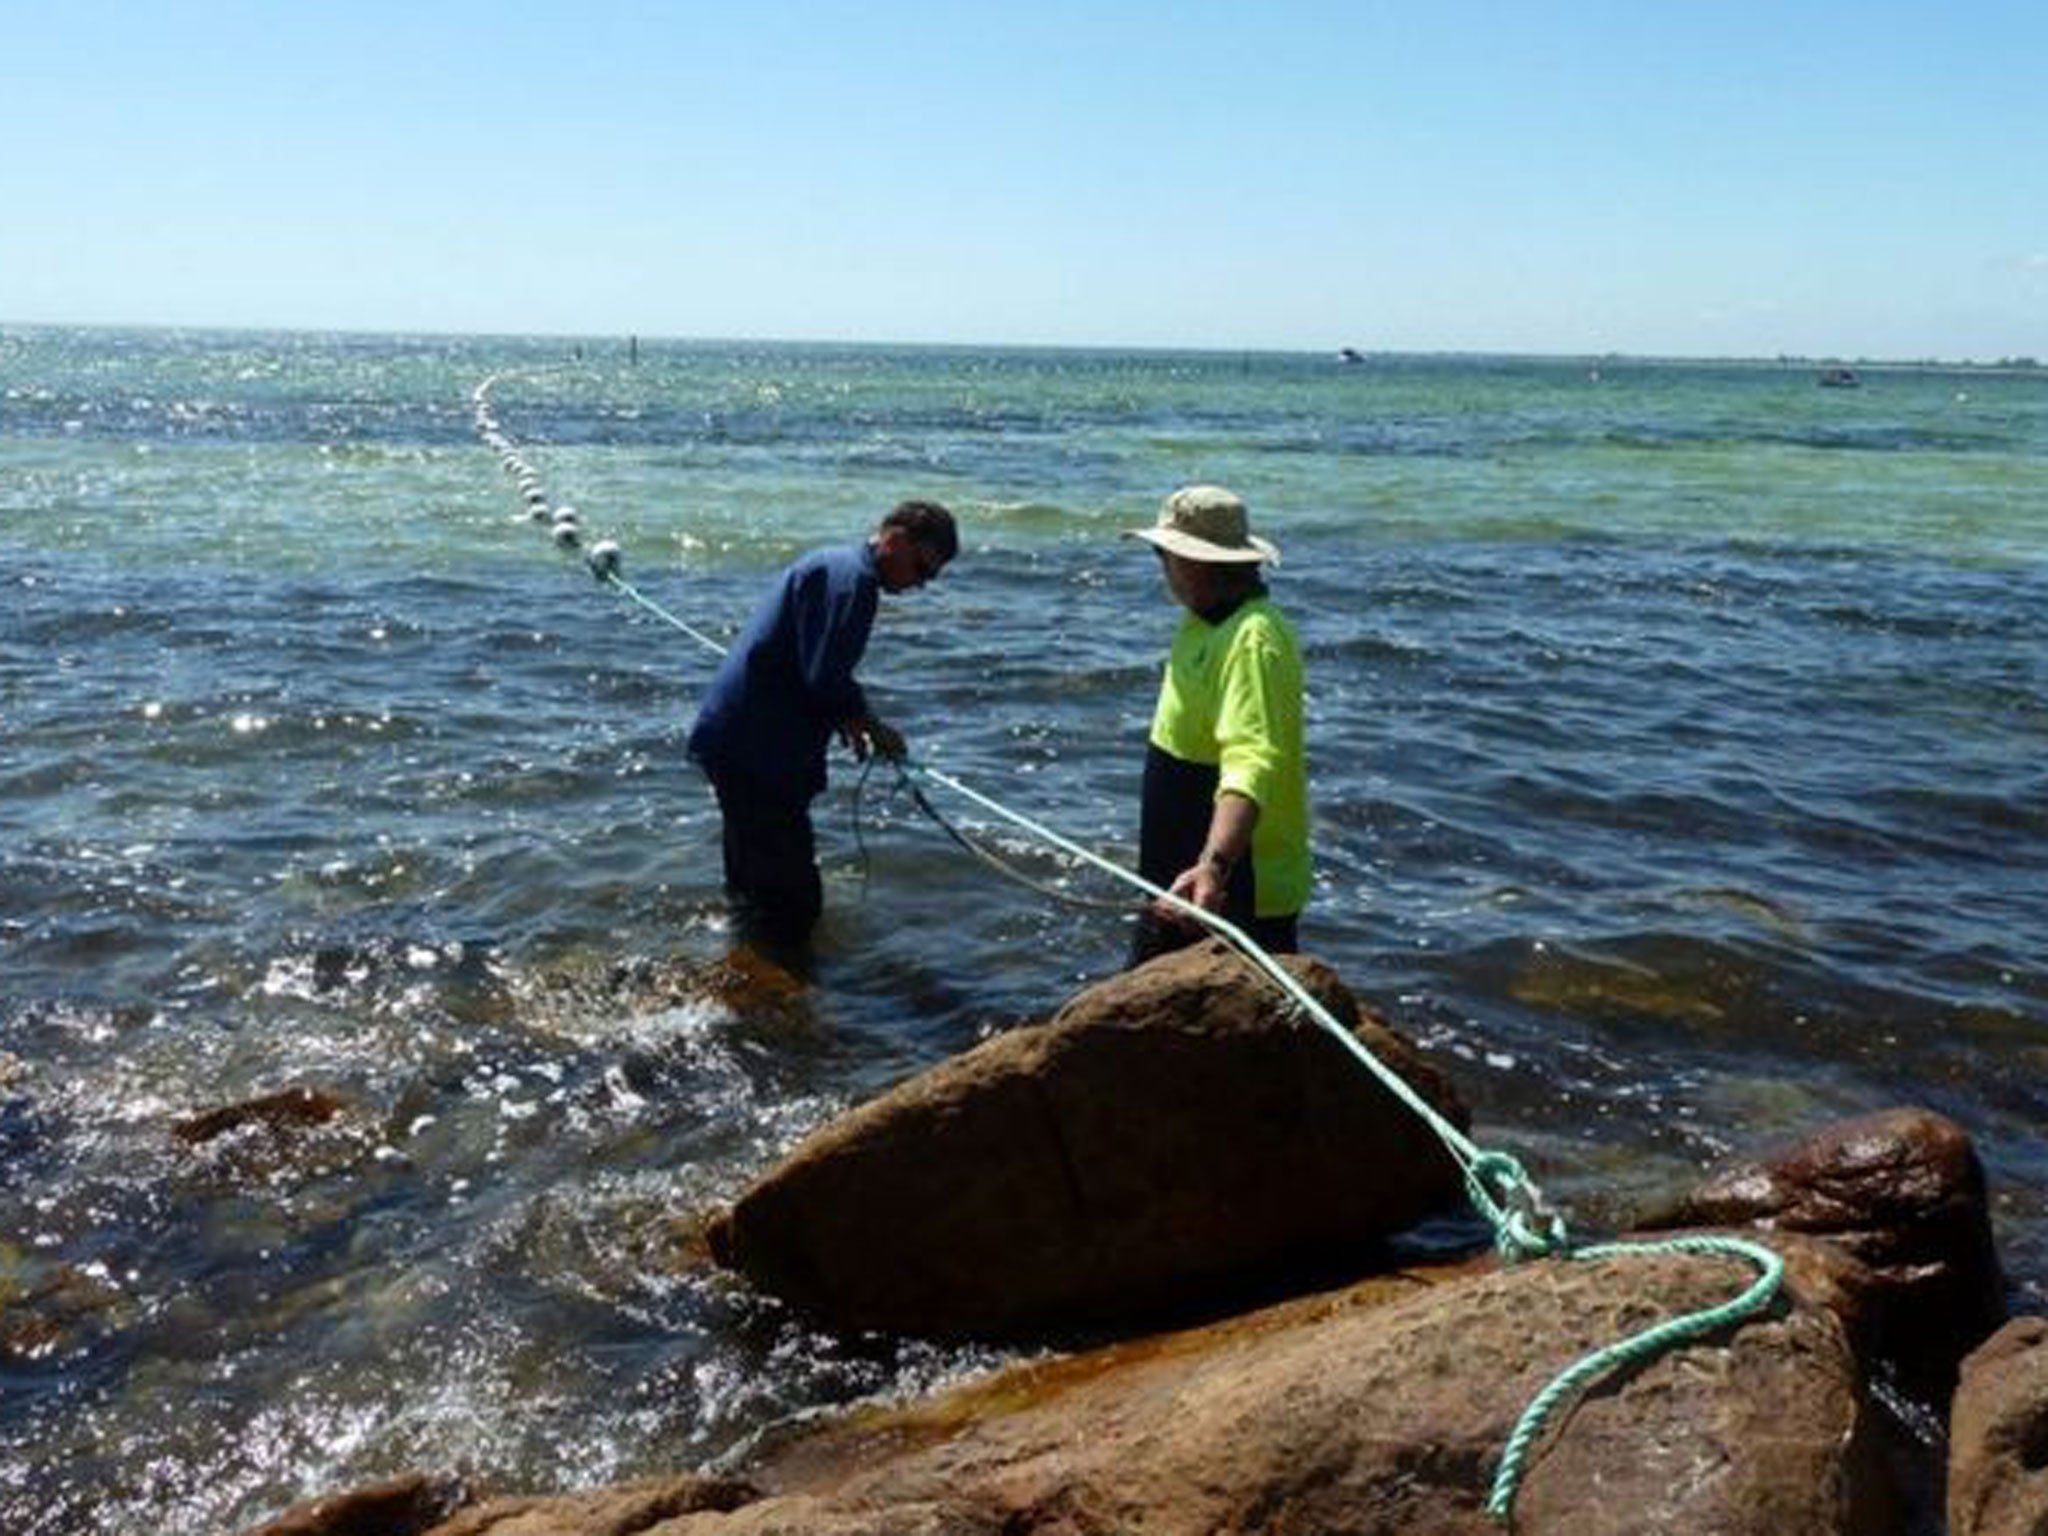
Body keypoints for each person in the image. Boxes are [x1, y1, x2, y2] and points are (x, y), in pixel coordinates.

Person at [687, 500, 958, 947]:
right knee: (794, 902)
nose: (920, 585)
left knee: (750, 881)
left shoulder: (835, 565)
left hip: (736, 738)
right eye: (922, 570)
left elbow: (817, 672)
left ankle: (745, 978)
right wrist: (869, 723)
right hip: (757, 750)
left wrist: (850, 717)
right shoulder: (855, 584)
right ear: (896, 540)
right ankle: (779, 995)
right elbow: (825, 676)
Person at [1123, 485, 1309, 967]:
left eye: (1162, 555)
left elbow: (1251, 763)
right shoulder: (1203, 622)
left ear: (1194, 563)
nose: (1160, 566)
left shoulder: (1252, 639)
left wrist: (1214, 866)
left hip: (1230, 886)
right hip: (1178, 875)